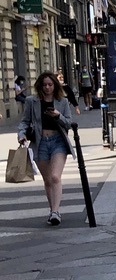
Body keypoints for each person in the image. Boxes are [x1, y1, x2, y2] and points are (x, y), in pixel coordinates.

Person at [17, 72, 75, 226]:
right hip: (40, 142)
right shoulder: (31, 101)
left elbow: (69, 123)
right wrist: (21, 135)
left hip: (58, 142)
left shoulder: (62, 101)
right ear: (40, 86)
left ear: (55, 85)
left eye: (50, 84)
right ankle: (52, 211)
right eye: (45, 85)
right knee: (48, 180)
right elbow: (24, 122)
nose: (48, 87)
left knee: (56, 177)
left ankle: (55, 211)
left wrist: (58, 116)